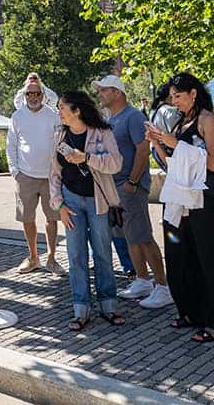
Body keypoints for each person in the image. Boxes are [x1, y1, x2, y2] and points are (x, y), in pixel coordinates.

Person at [147, 72, 214, 343]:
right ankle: (190, 312)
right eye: (172, 98)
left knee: (207, 260)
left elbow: (212, 163)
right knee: (179, 257)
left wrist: (174, 144)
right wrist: (157, 142)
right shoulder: (181, 122)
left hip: (202, 198)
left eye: (179, 96)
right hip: (179, 198)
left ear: (193, 93)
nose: (175, 102)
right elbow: (170, 160)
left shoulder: (208, 120)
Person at [94, 75, 173, 308]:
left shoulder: (133, 116)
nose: (100, 94)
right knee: (129, 236)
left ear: (117, 92)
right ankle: (142, 280)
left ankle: (163, 286)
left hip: (130, 187)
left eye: (104, 90)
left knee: (143, 236)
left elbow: (143, 150)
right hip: (116, 188)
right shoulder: (112, 118)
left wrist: (133, 181)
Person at [50, 90, 124, 331]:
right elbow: (54, 174)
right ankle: (81, 310)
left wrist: (87, 157)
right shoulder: (59, 135)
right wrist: (59, 205)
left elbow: (115, 163)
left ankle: (109, 306)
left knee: (102, 253)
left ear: (77, 110)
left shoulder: (102, 132)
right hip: (70, 201)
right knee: (75, 256)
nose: (58, 112)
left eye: (62, 107)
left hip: (97, 201)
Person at [7, 74, 64, 276]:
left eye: (37, 93)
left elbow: (60, 142)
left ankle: (51, 258)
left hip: (50, 176)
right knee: (27, 218)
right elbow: (11, 145)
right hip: (25, 176)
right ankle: (33, 257)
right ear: (24, 95)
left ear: (42, 94)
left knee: (52, 219)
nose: (33, 96)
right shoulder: (17, 116)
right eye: (29, 93)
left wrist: (58, 170)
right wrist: (15, 171)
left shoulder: (53, 115)